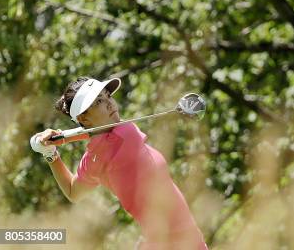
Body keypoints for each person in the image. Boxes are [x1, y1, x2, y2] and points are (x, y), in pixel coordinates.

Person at [29, 76, 209, 250]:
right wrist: (60, 139)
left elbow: (72, 191)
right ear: (83, 118)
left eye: (107, 97)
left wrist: (51, 153)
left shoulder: (94, 159)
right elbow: (96, 132)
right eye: (99, 102)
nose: (110, 104)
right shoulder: (126, 134)